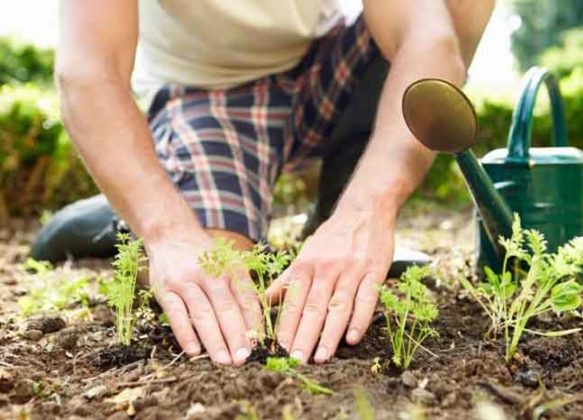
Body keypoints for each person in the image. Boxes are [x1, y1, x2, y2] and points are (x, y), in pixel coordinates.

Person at [36, 0, 494, 366]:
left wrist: (367, 209)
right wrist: (168, 232)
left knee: (459, 6)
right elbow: (87, 71)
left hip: (325, 66)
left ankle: (336, 212)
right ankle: (138, 202)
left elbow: (428, 39)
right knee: (220, 277)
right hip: (210, 94)